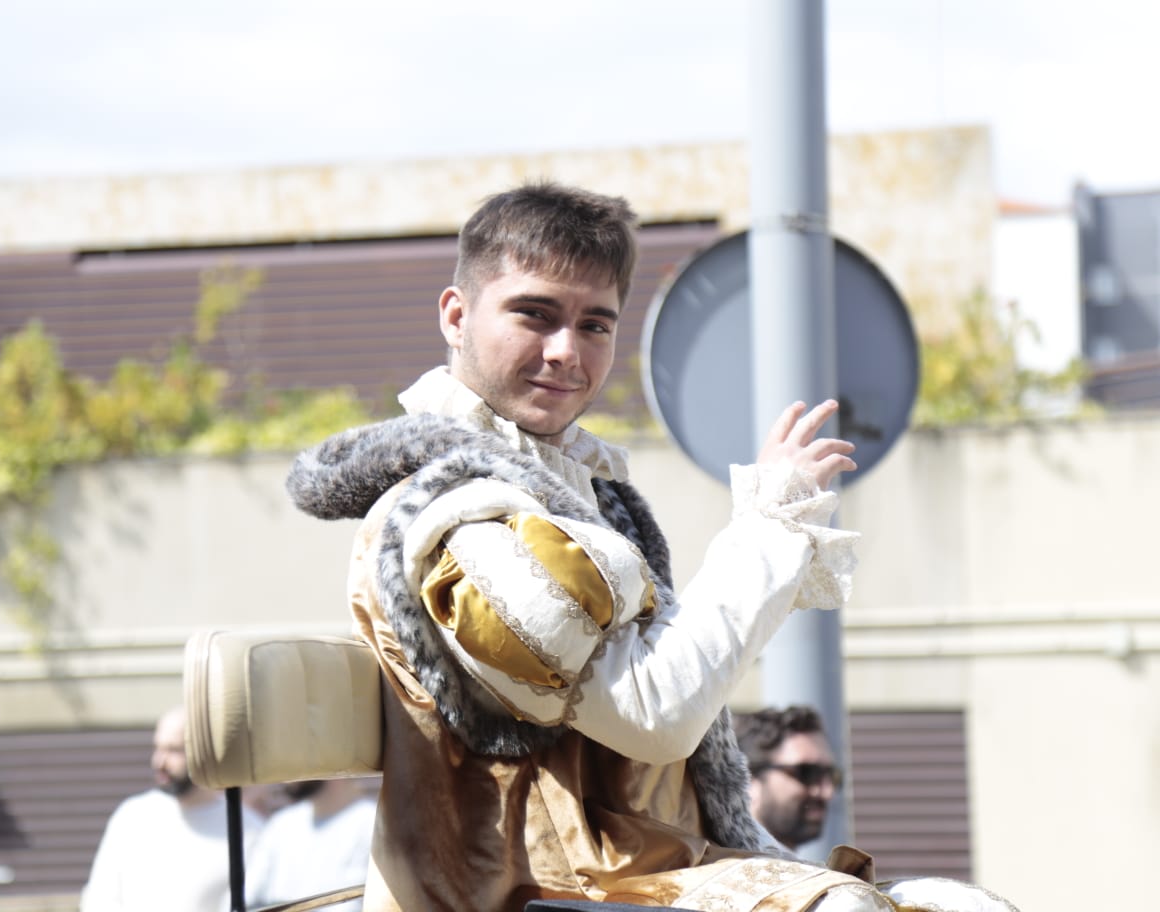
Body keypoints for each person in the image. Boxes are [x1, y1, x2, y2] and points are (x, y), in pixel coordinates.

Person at [285, 181, 1016, 911]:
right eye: (534, 314)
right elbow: (654, 713)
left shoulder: (569, 489)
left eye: (595, 325)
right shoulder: (454, 513)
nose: (566, 351)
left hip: (636, 866)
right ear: (456, 314)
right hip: (526, 886)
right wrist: (770, 527)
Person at [81, 705, 279, 912]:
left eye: (174, 750)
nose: (159, 762)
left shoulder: (248, 831)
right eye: (157, 748)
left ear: (207, 752)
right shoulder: (131, 816)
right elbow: (99, 900)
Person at [241, 778, 378, 912]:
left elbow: (352, 905)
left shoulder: (371, 824)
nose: (287, 778)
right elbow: (246, 895)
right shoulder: (282, 824)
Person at [734, 705, 842, 852]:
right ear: (748, 780)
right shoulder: (721, 868)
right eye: (807, 773)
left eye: (831, 775)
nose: (827, 792)